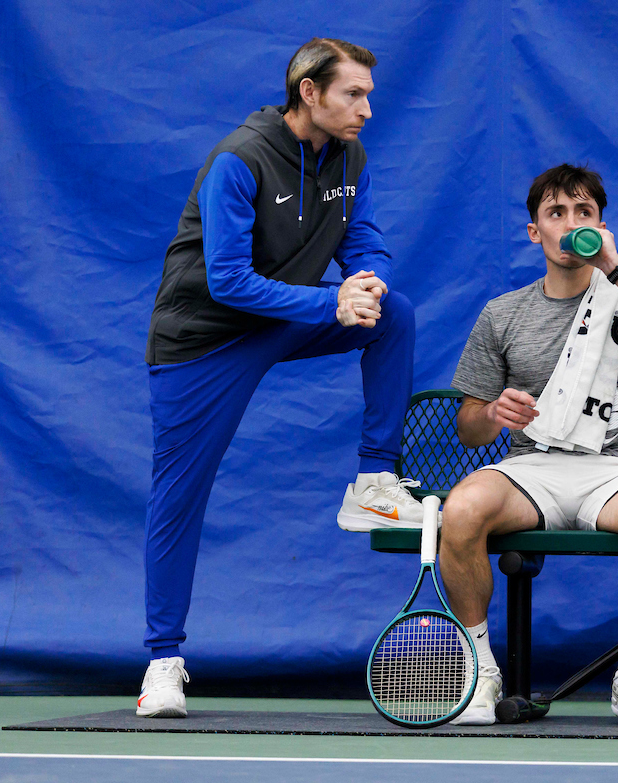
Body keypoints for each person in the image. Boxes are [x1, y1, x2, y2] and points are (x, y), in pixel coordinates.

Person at [138, 38, 423, 718]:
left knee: (393, 314)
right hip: (201, 343)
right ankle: (162, 665)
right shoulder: (239, 160)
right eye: (354, 95)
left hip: (283, 315)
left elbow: (365, 237)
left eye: (369, 95)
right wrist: (331, 301)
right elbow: (228, 281)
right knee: (178, 500)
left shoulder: (349, 156)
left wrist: (367, 277)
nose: (366, 110)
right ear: (309, 93)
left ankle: (372, 481)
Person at [440, 164, 618, 727]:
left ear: (601, 225)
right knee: (460, 510)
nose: (570, 224)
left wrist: (616, 266)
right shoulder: (503, 313)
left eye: (584, 213)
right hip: (530, 469)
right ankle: (480, 674)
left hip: (616, 470)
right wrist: (492, 413)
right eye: (557, 213)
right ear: (536, 231)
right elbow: (468, 427)